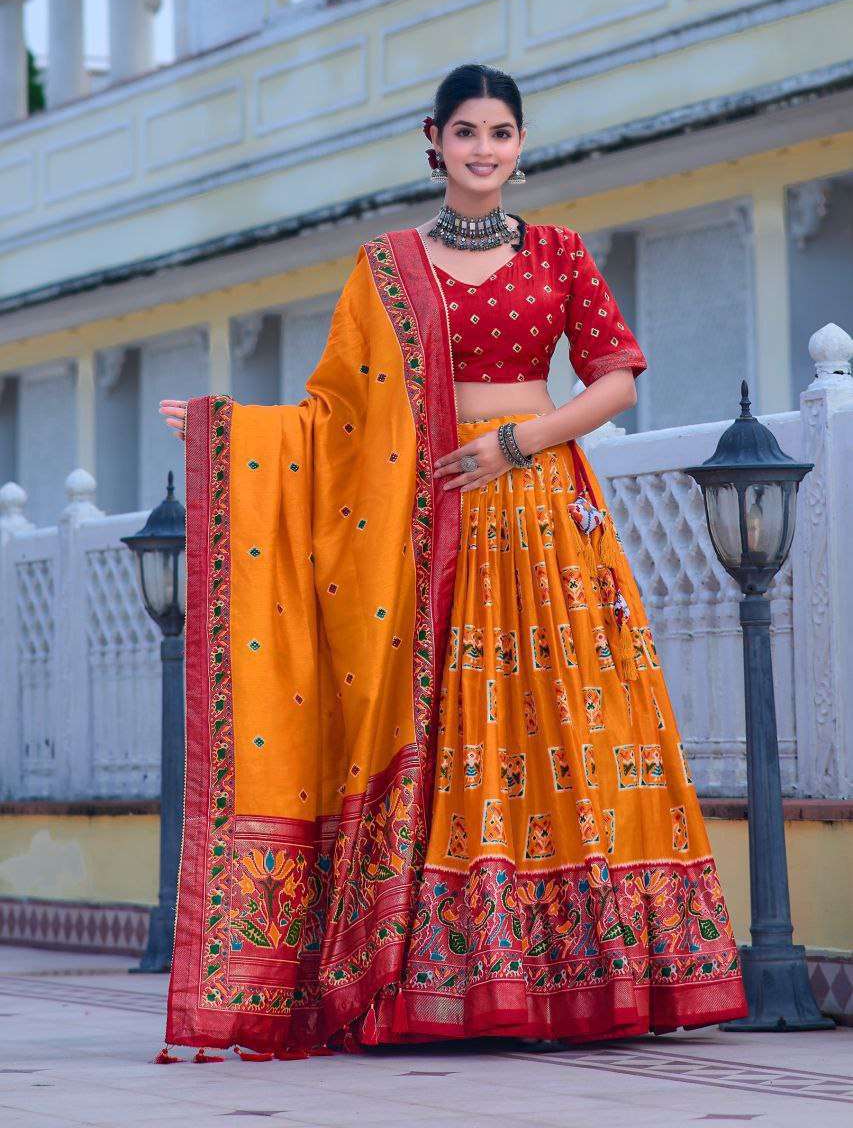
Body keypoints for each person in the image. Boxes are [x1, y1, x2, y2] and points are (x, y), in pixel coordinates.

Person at [156, 63, 748, 1064]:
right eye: (466, 131)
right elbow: (337, 415)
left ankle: (581, 976)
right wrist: (232, 435)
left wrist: (520, 442)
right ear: (432, 140)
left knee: (565, 724)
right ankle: (434, 982)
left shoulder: (557, 253)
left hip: (544, 515)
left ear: (520, 145)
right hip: (425, 526)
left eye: (501, 132)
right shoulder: (385, 265)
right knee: (442, 726)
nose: (484, 149)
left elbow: (614, 380)